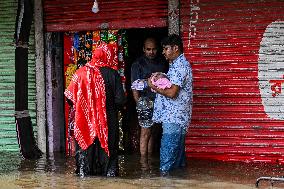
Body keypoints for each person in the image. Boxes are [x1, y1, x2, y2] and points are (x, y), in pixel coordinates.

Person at [64, 42, 126, 177]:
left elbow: (69, 97)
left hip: (84, 122)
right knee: (109, 155)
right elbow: (121, 100)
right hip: (108, 122)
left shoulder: (80, 73)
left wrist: (85, 107)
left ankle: (84, 175)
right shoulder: (113, 74)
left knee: (84, 158)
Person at [147, 34, 193, 175]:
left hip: (174, 118)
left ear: (176, 48)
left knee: (166, 162)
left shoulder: (180, 66)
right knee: (177, 163)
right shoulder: (177, 65)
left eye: (166, 48)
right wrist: (163, 76)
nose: (163, 52)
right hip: (177, 118)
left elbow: (172, 92)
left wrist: (153, 86)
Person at [131, 37, 168, 161]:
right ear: (143, 49)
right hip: (145, 101)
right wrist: (138, 103)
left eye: (154, 49)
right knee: (145, 132)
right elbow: (134, 86)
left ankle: (150, 160)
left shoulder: (162, 62)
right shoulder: (137, 64)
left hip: (160, 100)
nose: (151, 52)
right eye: (148, 49)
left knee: (154, 132)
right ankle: (143, 162)